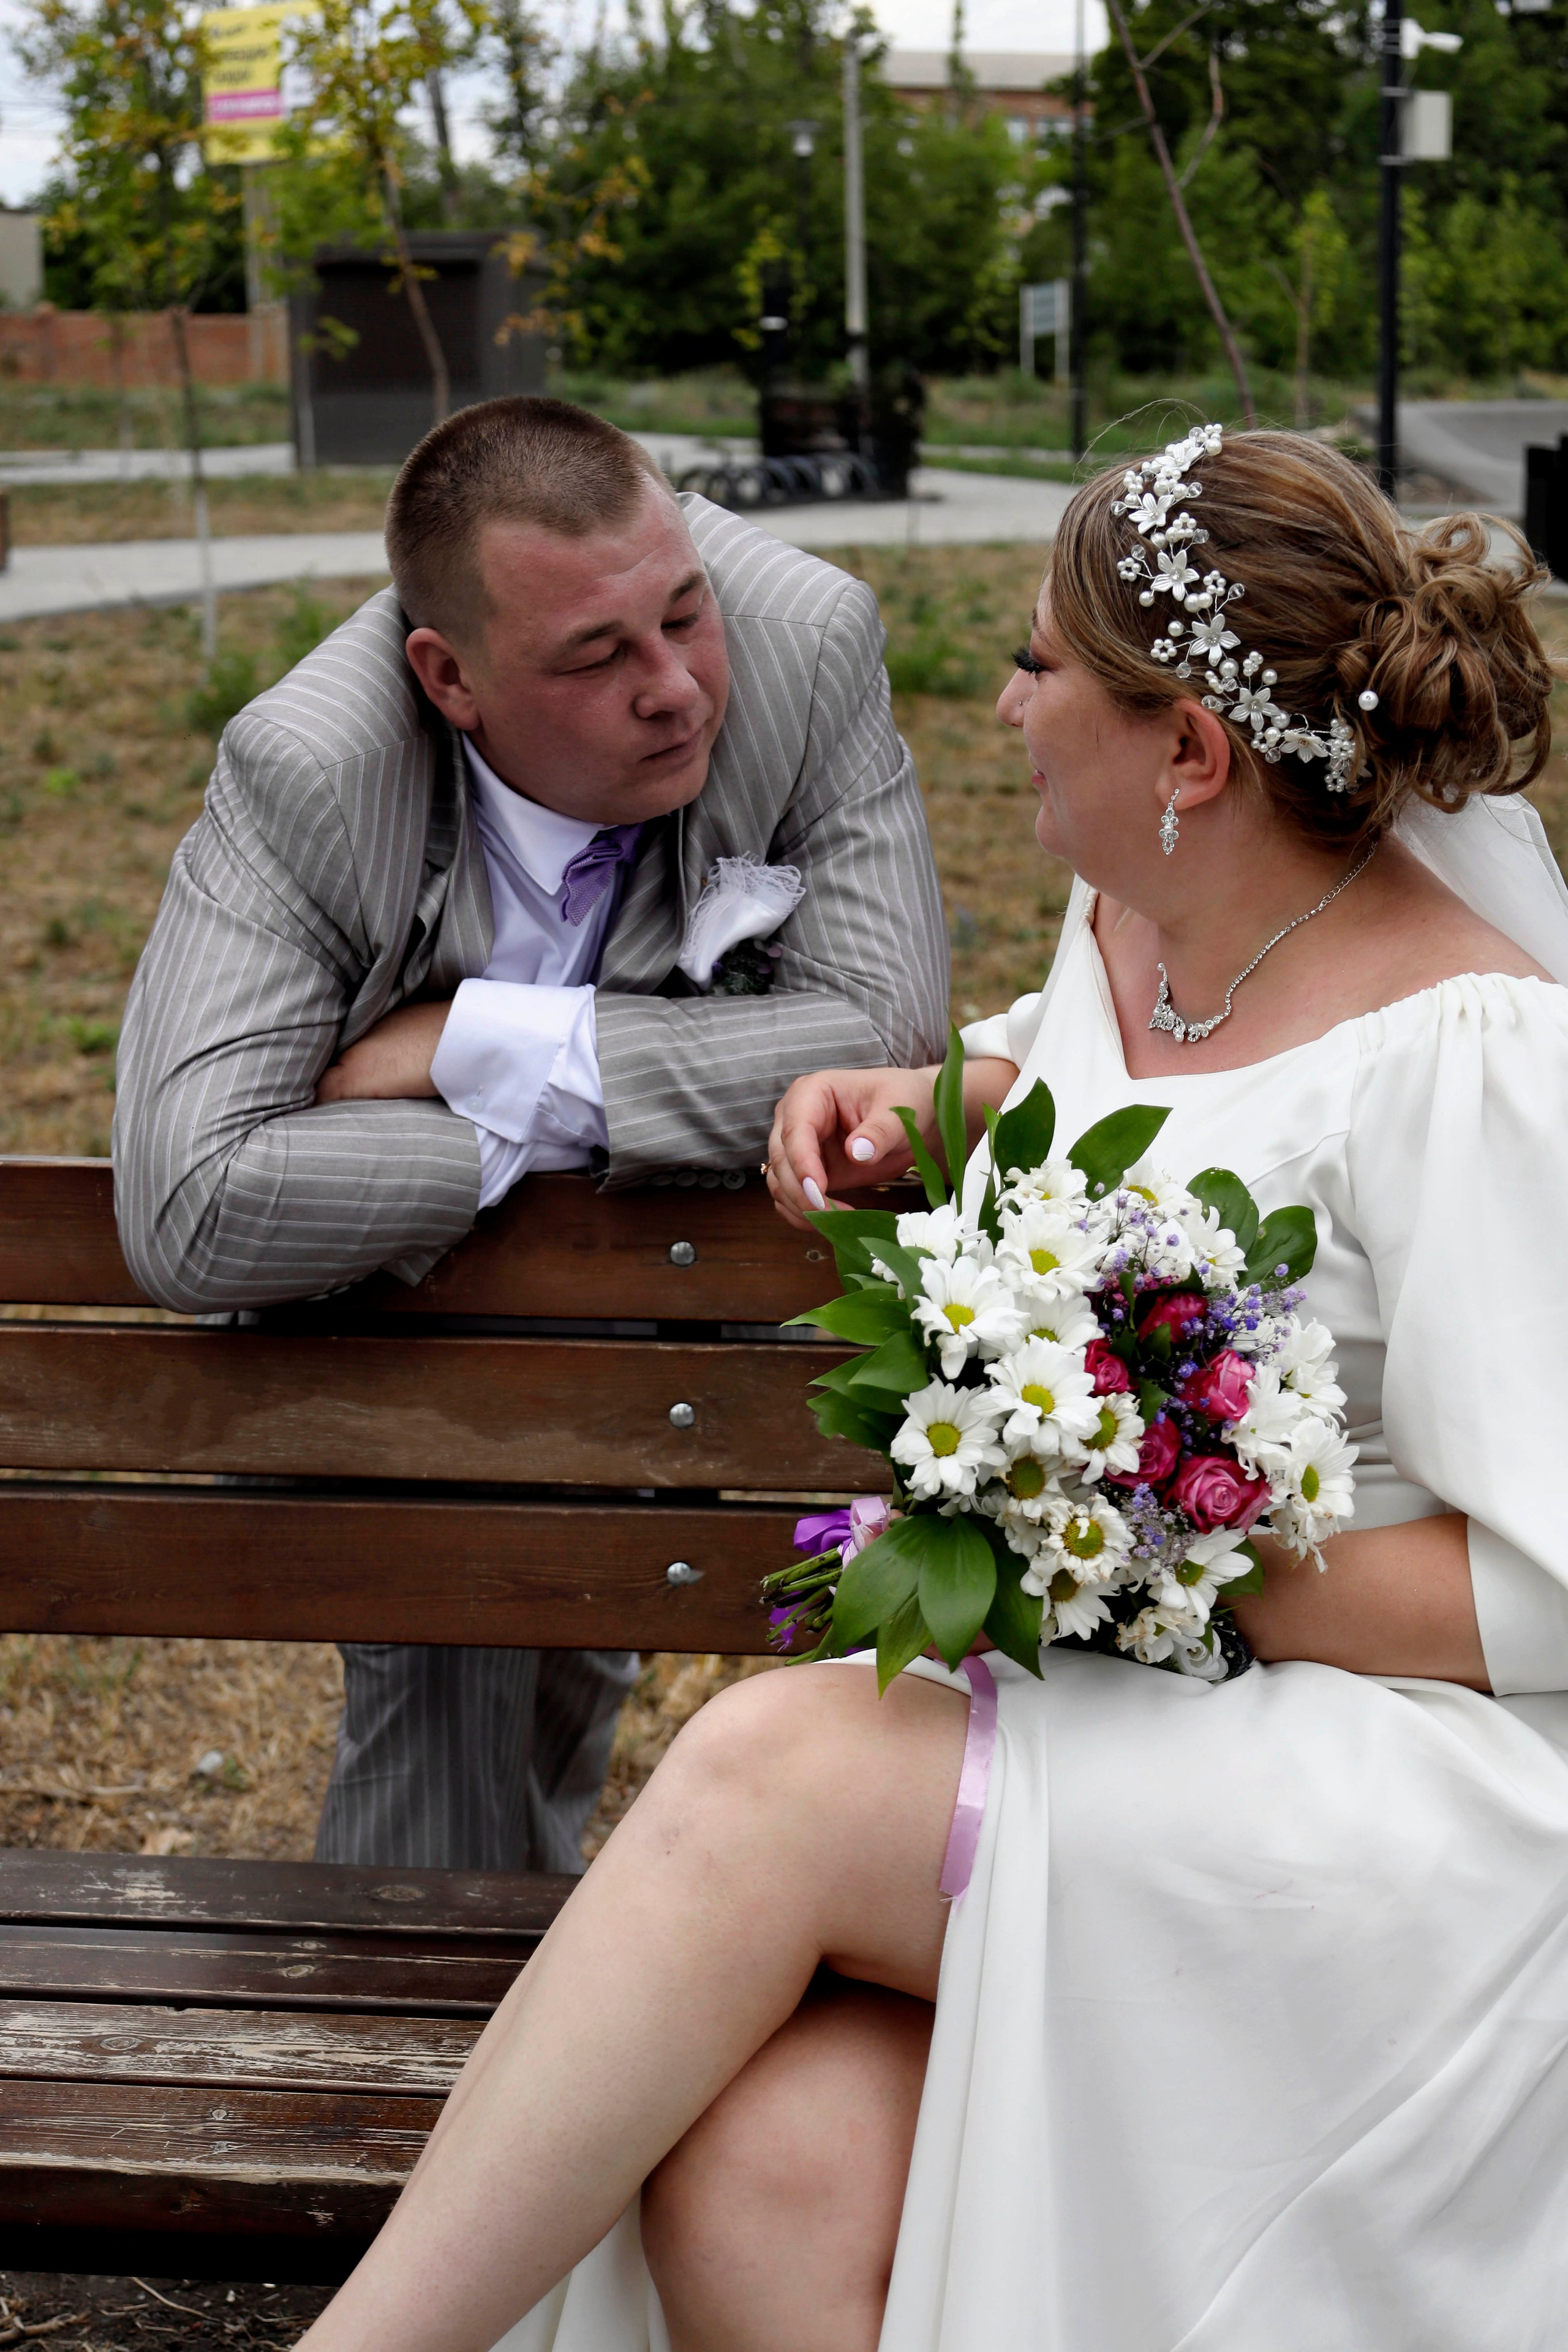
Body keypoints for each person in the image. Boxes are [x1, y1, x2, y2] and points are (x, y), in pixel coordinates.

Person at [294, 426, 1568, 2352]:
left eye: (1046, 664)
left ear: (1192, 756)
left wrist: (1123, 1550)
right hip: (1134, 1729)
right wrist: (928, 1098)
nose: (1005, 701)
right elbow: (1117, 1090)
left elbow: (1538, 1595)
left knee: (762, 1770)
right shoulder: (1136, 930)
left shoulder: (1473, 1051)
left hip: (1409, 1800)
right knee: (769, 2175)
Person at [112, 396, 948, 1879]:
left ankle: (517, 1988)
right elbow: (192, 1200)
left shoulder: (806, 643)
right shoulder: (310, 768)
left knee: (560, 1699)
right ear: (449, 675)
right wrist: (580, 1121)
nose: (680, 688)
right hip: (394, 1335)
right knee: (446, 1698)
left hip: (674, 1328)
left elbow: (885, 1037)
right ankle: (389, 2071)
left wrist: (482, 1054)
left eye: (684, 615)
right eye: (595, 659)